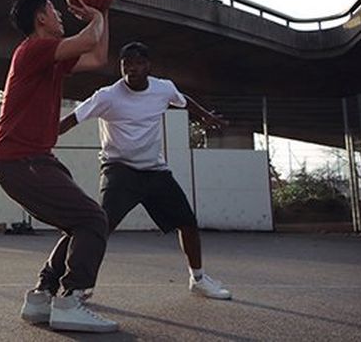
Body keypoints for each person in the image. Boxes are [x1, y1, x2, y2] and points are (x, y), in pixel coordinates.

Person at [46, 41, 232, 301]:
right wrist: (41, 139)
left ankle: (198, 279)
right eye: (126, 64)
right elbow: (72, 119)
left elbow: (182, 100)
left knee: (188, 223)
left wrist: (203, 115)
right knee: (95, 225)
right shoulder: (107, 95)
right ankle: (64, 285)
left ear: (148, 66)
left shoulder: (163, 88)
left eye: (137, 63)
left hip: (154, 171)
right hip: (119, 170)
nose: (131, 69)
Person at [0, 0, 118, 333]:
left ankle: (42, 296)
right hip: (22, 161)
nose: (60, 14)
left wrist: (101, 13)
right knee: (93, 220)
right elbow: (89, 38)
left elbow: (98, 57)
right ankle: (71, 299)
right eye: (54, 10)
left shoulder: (50, 57)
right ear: (40, 19)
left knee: (79, 224)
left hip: (32, 160)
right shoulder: (34, 49)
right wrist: (96, 17)